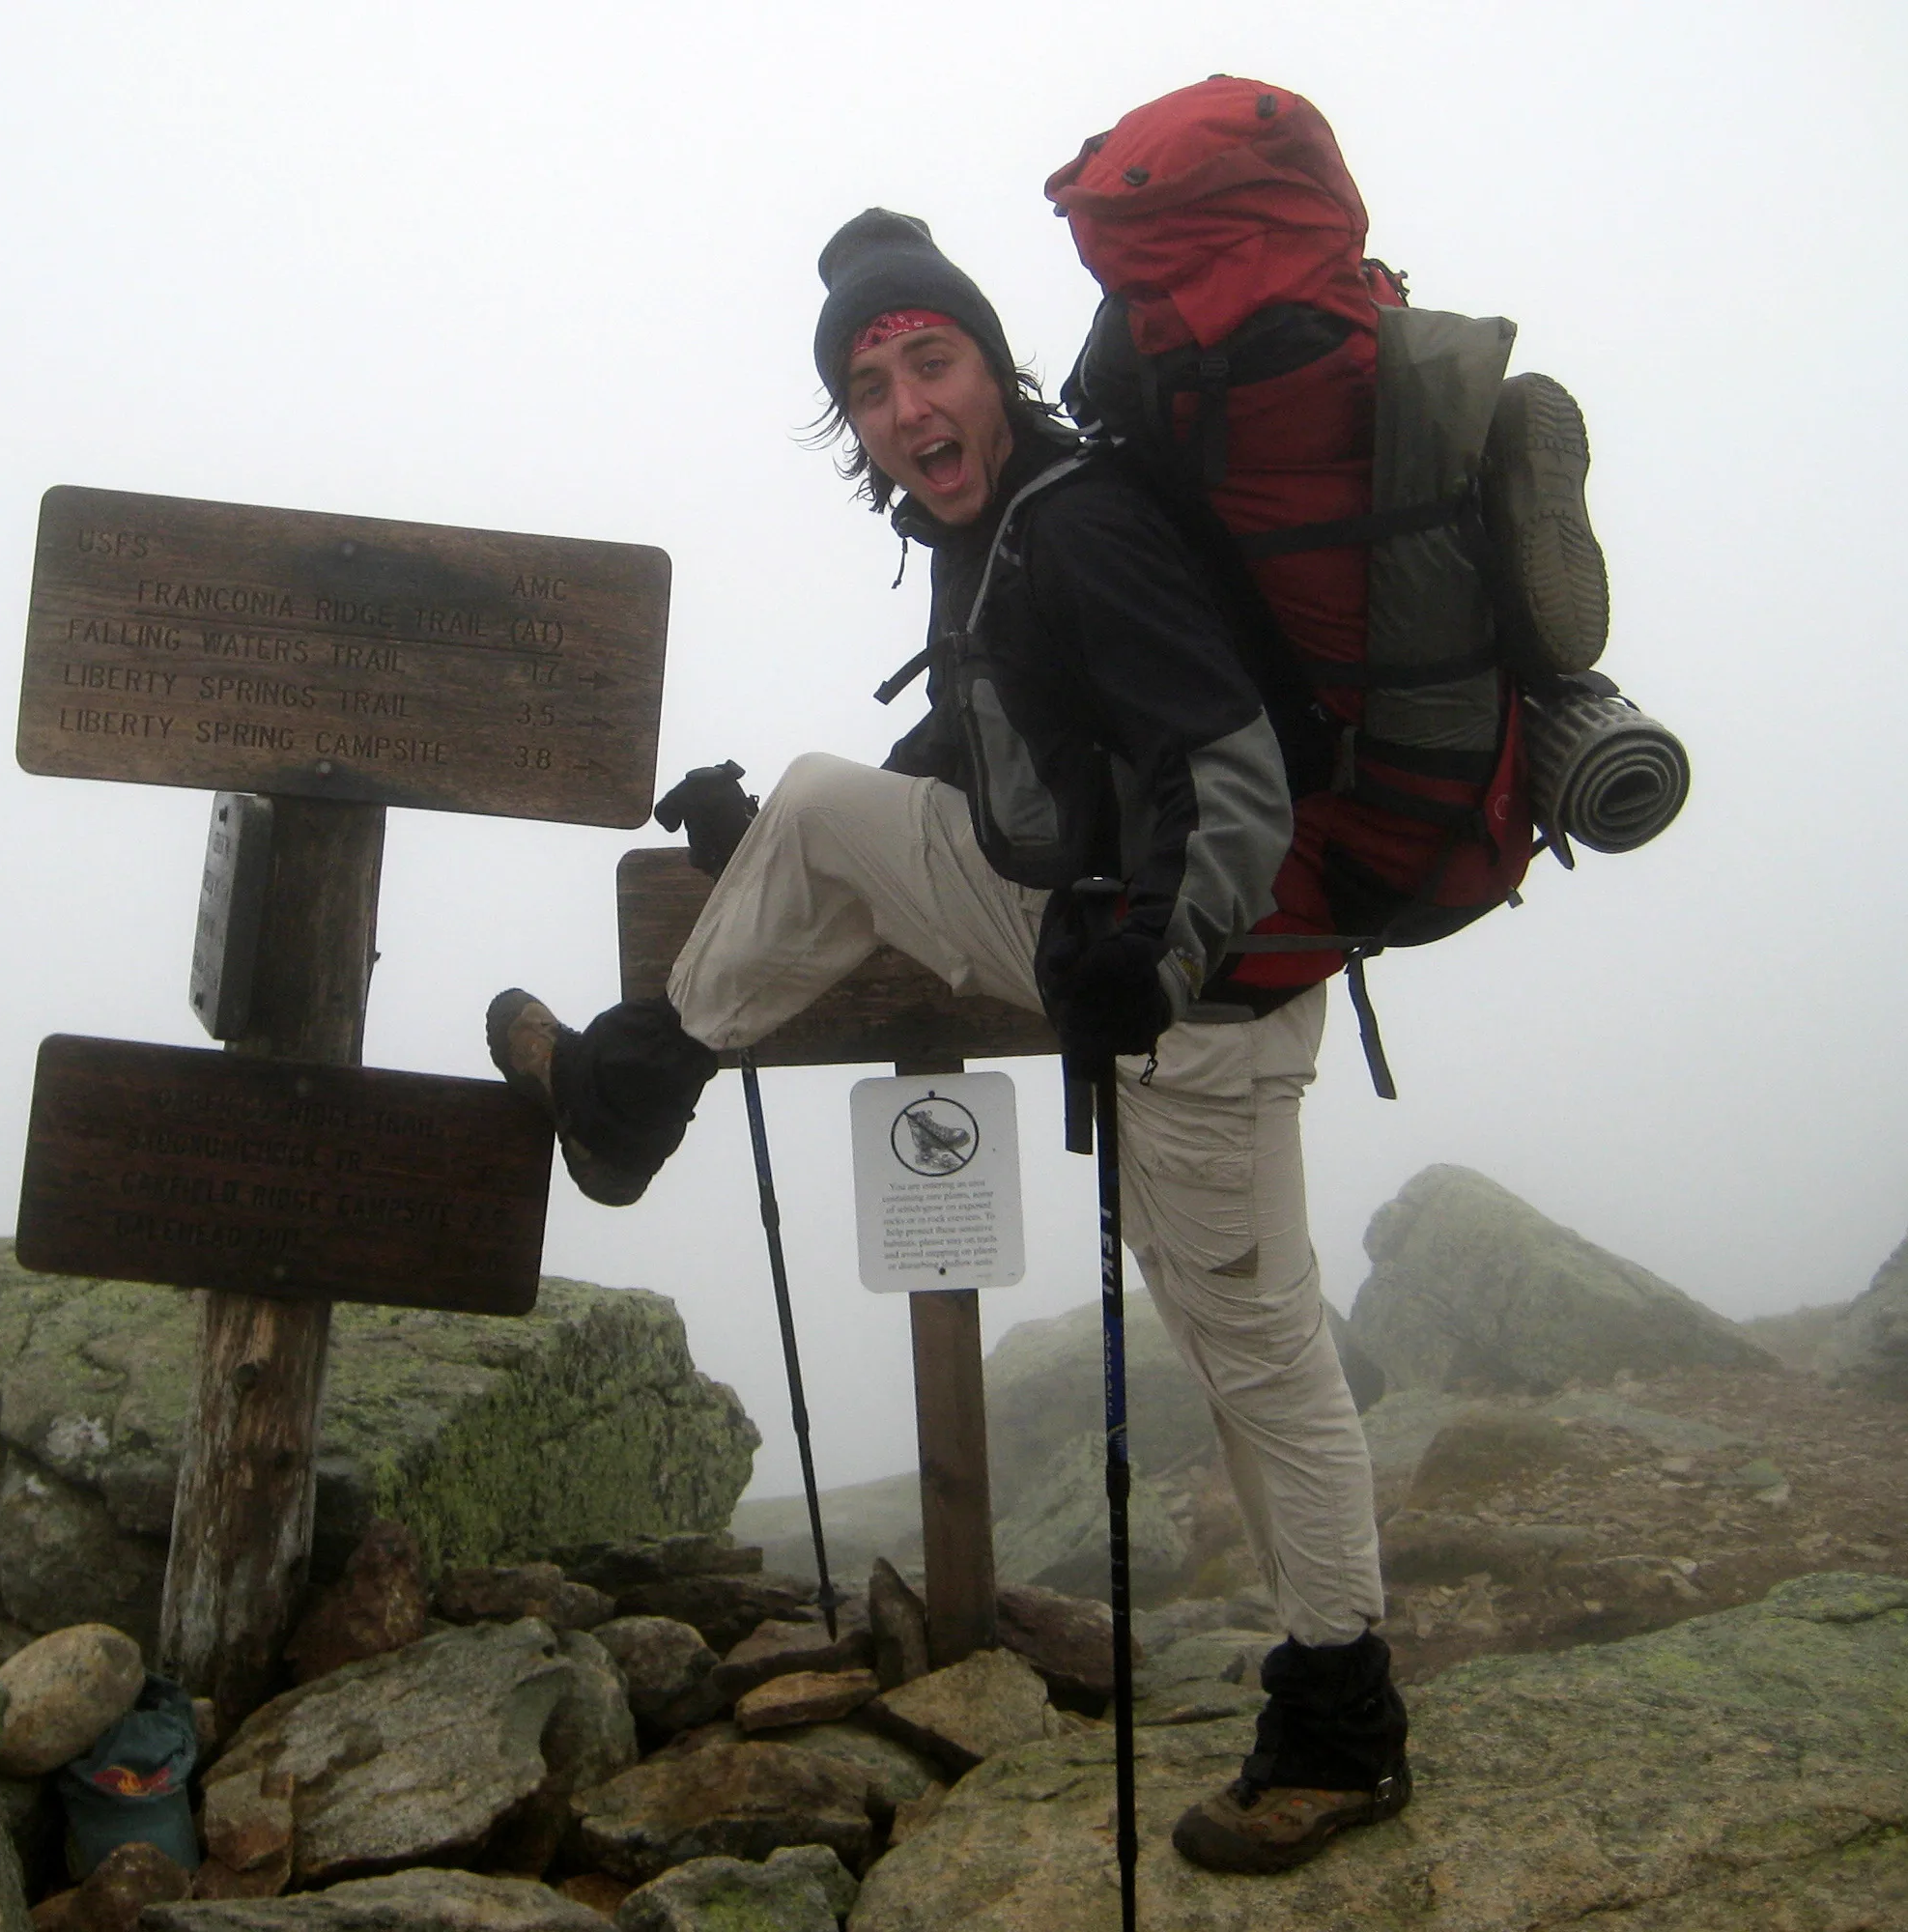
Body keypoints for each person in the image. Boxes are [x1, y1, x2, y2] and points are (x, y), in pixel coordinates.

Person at [486, 208, 1408, 1873]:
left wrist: (1159, 953)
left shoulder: (1086, 527)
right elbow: (973, 760)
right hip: (1110, 952)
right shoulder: (997, 541)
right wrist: (753, 840)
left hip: (1199, 1007)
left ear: (995, 367)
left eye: (933, 361)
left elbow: (1238, 769)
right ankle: (629, 1096)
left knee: (1258, 1361)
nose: (909, 407)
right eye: (870, 386)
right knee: (834, 809)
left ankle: (1343, 1725)